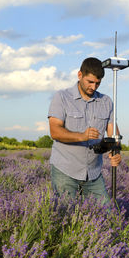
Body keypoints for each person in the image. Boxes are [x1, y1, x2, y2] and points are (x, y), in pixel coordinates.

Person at [48, 57, 121, 206]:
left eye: (98, 83)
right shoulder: (62, 97)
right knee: (65, 217)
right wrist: (82, 136)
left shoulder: (106, 102)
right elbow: (55, 131)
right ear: (80, 75)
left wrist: (116, 151)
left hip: (93, 173)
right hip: (65, 170)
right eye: (90, 82)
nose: (94, 87)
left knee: (108, 216)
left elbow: (114, 133)